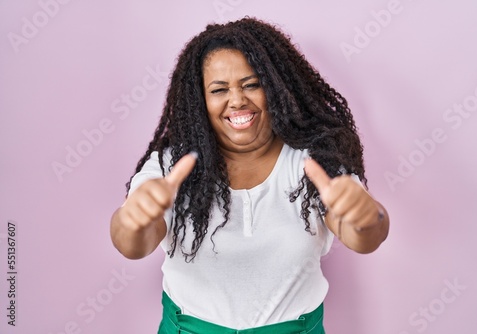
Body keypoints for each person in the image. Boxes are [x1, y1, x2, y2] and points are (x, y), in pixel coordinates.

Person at [110, 17, 389, 334]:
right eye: (219, 89)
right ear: (200, 101)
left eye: (251, 84)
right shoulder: (170, 166)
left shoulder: (315, 163)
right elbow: (132, 245)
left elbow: (365, 236)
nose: (237, 100)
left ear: (276, 87)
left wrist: (367, 218)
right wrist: (133, 221)